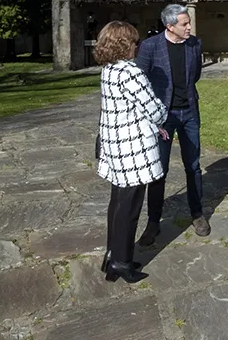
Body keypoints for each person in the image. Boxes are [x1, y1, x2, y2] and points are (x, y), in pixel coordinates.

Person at [93, 21, 167, 283]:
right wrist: (161, 115)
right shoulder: (130, 72)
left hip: (116, 144)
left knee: (117, 203)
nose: (138, 46)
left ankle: (112, 255)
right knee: (129, 207)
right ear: (124, 44)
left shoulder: (108, 70)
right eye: (135, 42)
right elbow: (154, 109)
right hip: (132, 148)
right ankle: (122, 262)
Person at [136, 4, 209, 242]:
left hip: (189, 113)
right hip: (162, 117)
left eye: (189, 22)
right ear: (170, 26)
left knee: (194, 166)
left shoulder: (194, 44)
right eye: (184, 24)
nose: (189, 27)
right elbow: (141, 82)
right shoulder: (150, 47)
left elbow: (195, 75)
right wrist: (151, 117)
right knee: (159, 170)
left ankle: (197, 214)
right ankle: (153, 222)